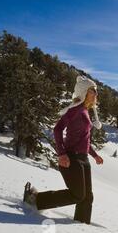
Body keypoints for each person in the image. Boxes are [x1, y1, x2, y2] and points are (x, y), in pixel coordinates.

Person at [23, 76, 104, 224]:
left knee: (87, 197)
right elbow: (58, 129)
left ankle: (81, 224)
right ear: (84, 91)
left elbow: (84, 140)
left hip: (83, 158)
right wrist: (61, 154)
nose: (96, 94)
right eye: (93, 91)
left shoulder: (85, 111)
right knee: (78, 195)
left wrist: (95, 155)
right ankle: (34, 199)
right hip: (72, 158)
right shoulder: (75, 110)